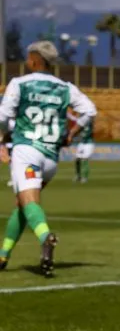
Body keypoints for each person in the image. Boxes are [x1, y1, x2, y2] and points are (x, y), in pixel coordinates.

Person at [0, 42, 97, 276]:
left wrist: (2, 140)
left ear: (35, 60)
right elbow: (91, 110)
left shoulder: (19, 83)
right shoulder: (65, 87)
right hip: (51, 159)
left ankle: (45, 238)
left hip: (27, 152)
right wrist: (72, 133)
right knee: (23, 205)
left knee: (28, 203)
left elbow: (2, 117)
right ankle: (3, 255)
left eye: (28, 57)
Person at [71, 110, 96, 183]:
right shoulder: (80, 123)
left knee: (85, 159)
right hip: (81, 143)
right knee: (77, 159)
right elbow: (73, 118)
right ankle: (78, 176)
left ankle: (85, 177)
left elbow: (92, 116)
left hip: (89, 143)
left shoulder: (90, 122)